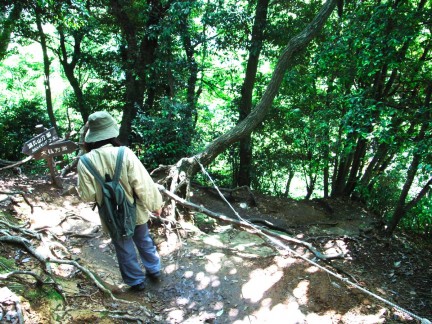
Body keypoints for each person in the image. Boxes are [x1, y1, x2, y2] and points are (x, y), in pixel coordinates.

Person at [77, 111, 163, 291]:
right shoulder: (125, 153)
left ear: (92, 136)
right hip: (135, 210)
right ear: (111, 132)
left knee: (123, 246)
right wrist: (155, 205)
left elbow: (87, 196)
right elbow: (143, 183)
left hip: (110, 214)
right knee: (143, 238)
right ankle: (153, 269)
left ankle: (135, 281)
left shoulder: (84, 161)